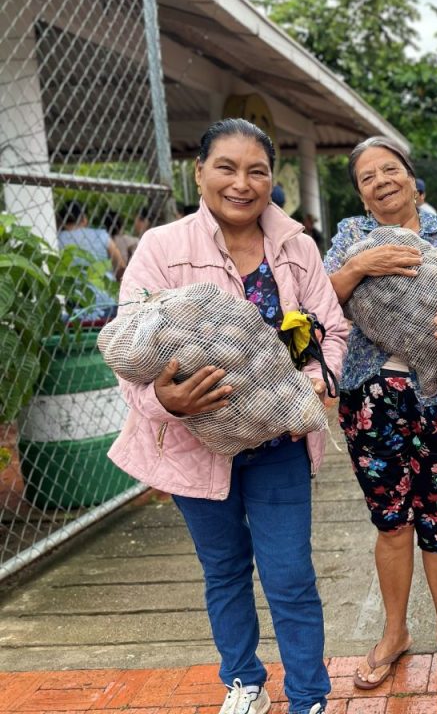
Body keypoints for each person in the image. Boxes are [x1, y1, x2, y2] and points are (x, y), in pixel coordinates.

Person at [109, 118, 347, 714]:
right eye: (226, 167)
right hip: (195, 447)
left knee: (290, 573)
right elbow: (126, 351)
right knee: (224, 570)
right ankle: (244, 682)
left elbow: (333, 330)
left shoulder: (297, 247)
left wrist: (314, 386)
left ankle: (308, 696)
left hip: (280, 444)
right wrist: (166, 402)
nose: (242, 183)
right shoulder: (161, 250)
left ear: (272, 179)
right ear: (199, 172)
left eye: (257, 171)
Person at [323, 136, 437, 690]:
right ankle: (394, 632)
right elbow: (321, 302)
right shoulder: (350, 236)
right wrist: (361, 264)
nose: (380, 181)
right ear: (359, 193)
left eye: (389, 169)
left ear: (412, 178)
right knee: (391, 521)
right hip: (371, 400)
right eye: (367, 176)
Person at [57, 200, 124, 319]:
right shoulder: (101, 235)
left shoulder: (58, 239)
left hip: (76, 303)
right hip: (106, 300)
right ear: (84, 218)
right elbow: (120, 265)